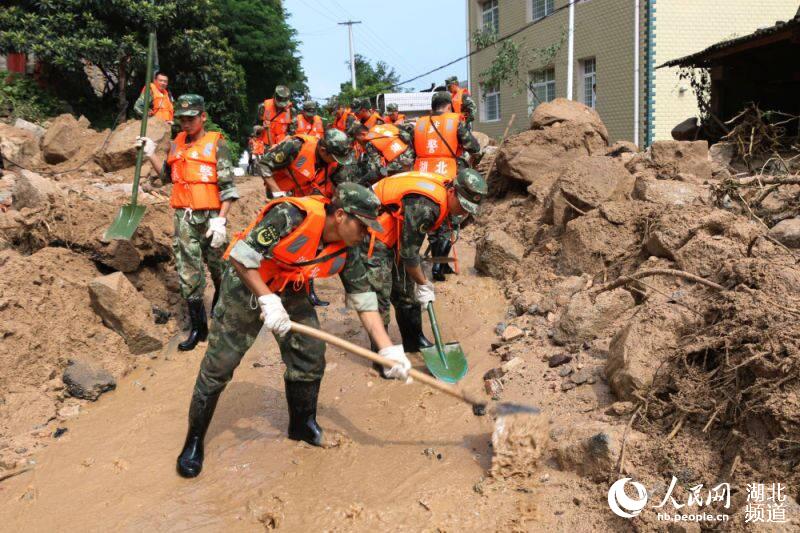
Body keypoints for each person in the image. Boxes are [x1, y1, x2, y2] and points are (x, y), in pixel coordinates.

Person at [176, 183, 411, 478]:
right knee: (220, 365)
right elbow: (240, 256)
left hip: (290, 289)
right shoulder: (291, 216)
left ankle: (302, 426)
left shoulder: (348, 248)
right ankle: (193, 441)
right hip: (247, 285)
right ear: (341, 215)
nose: (366, 234)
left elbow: (364, 299)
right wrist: (266, 299)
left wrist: (387, 348)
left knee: (310, 354)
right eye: (362, 226)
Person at [361, 169, 487, 378]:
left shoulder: (443, 195)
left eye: (468, 210)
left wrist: (417, 281)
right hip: (369, 231)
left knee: (405, 290)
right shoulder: (426, 206)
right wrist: (423, 282)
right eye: (462, 207)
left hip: (396, 231)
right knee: (379, 296)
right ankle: (381, 357)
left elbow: (411, 250)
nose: (463, 213)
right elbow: (410, 255)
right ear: (453, 192)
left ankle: (413, 340)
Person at [136, 94, 239, 351]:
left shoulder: (217, 144)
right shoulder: (176, 144)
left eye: (191, 118)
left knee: (219, 266)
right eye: (182, 118)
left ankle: (221, 306)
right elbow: (167, 177)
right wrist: (150, 153)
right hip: (184, 216)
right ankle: (199, 329)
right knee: (188, 270)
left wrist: (221, 222)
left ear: (202, 117)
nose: (186, 123)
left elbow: (228, 190)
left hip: (212, 216)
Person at [257, 128, 360, 306]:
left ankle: (306, 291)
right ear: (323, 150)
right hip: (288, 202)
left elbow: (342, 186)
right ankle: (269, 287)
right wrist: (276, 192)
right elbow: (264, 164)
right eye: (334, 158)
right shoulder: (295, 146)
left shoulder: (335, 161)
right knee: (282, 246)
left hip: (313, 203)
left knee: (310, 246)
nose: (337, 163)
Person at [412, 92, 481, 281]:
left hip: (422, 179)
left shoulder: (418, 124)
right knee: (449, 224)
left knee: (433, 224)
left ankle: (440, 264)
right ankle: (438, 267)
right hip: (446, 179)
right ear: (449, 106)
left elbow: (412, 151)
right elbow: (474, 147)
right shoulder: (454, 122)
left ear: (432, 107)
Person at [350, 122, 415, 186]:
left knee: (371, 178)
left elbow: (379, 169)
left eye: (357, 139)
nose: (357, 142)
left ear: (362, 134)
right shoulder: (382, 127)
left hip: (400, 165)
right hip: (411, 155)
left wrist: (363, 181)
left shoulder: (369, 143)